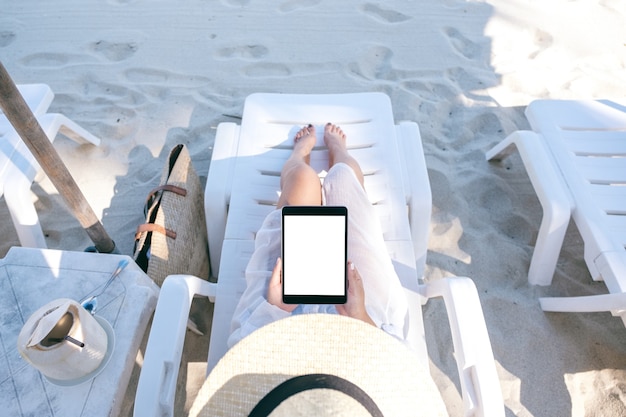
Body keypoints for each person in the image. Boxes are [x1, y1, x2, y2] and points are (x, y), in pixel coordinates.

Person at [227, 123, 409, 347]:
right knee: (342, 177)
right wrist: (360, 317)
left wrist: (275, 310)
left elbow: (237, 352)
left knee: (303, 179)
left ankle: (300, 156)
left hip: (273, 328)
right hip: (363, 327)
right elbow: (401, 363)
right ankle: (340, 153)